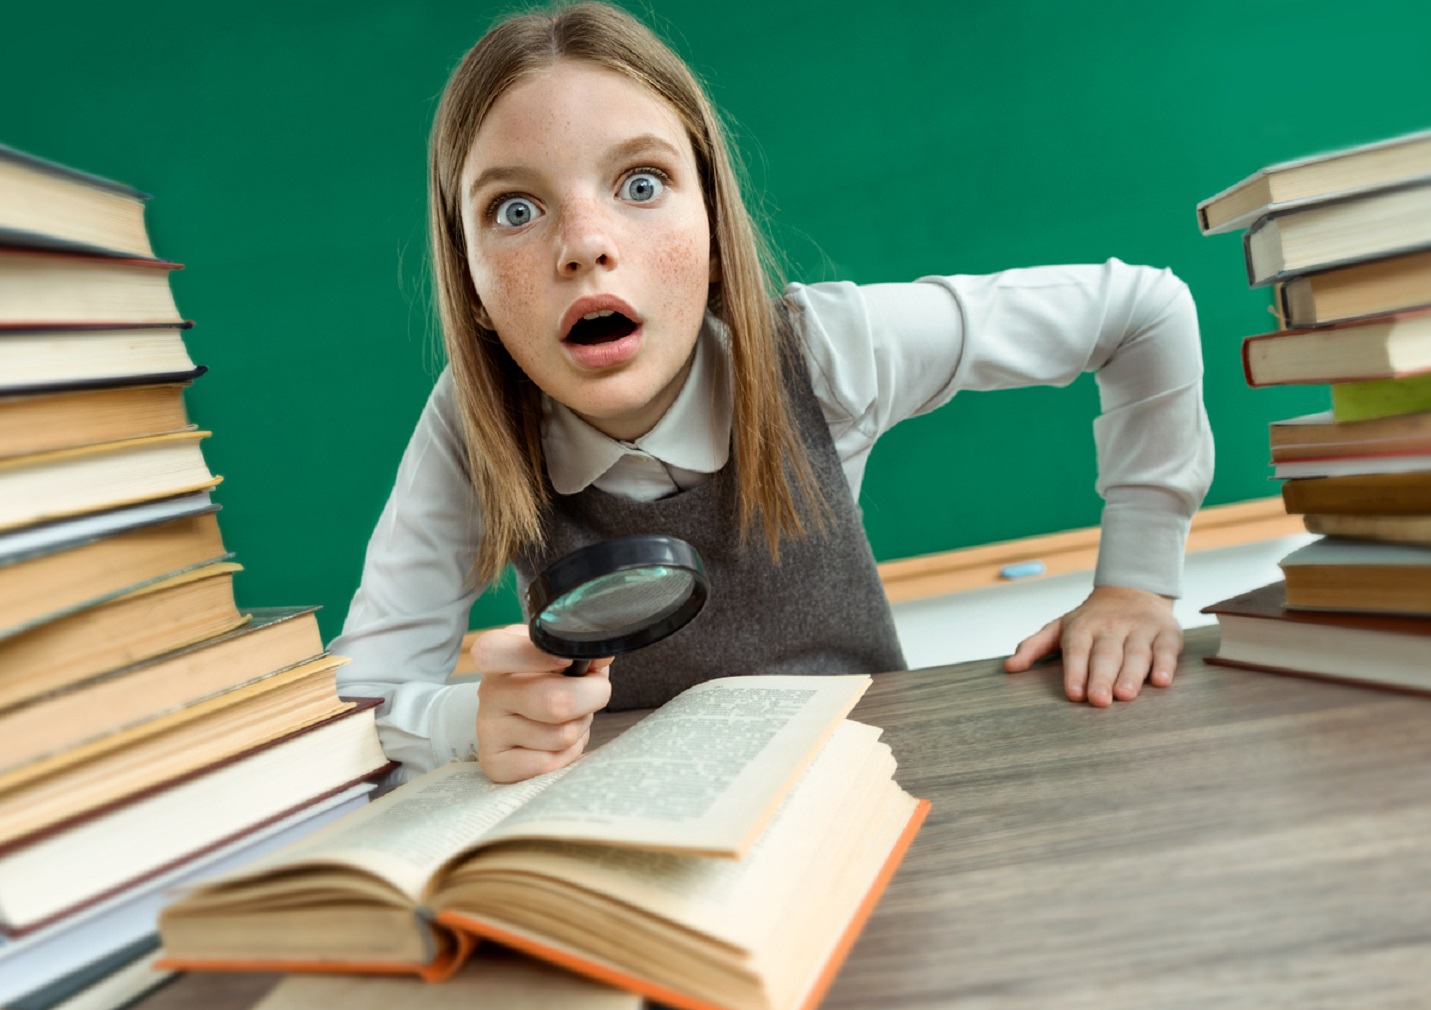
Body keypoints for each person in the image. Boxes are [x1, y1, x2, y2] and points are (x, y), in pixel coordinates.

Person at [331, 2, 1214, 786]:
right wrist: (466, 722)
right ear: (471, 285)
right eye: (515, 210)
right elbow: (350, 710)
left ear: (715, 227)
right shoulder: (474, 422)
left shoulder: (828, 350)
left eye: (641, 184)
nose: (585, 244)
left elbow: (1142, 313)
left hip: (861, 804)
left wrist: (1137, 584)